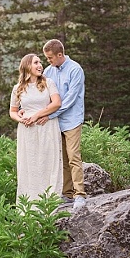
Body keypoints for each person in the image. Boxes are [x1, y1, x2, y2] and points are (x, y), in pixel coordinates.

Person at [38, 39, 87, 210]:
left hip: (72, 119)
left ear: (60, 55)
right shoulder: (48, 71)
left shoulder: (75, 70)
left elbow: (70, 100)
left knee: (73, 156)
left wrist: (50, 114)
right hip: (55, 122)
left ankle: (80, 195)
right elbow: (41, 94)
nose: (48, 61)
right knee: (62, 159)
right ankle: (67, 194)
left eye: (50, 57)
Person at [9, 54, 64, 205]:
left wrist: (36, 116)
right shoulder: (18, 88)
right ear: (27, 66)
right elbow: (13, 111)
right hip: (27, 130)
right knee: (30, 163)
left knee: (48, 161)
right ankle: (31, 201)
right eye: (36, 63)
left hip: (46, 127)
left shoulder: (48, 83)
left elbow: (57, 103)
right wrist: (21, 119)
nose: (40, 65)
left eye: (40, 62)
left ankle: (51, 199)